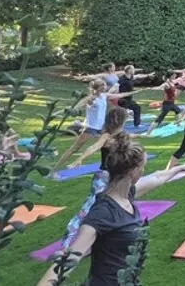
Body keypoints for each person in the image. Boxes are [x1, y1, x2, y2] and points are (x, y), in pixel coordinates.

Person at [37, 135, 185, 286]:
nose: (144, 171)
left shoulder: (127, 194)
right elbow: (67, 260)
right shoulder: (103, 213)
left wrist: (180, 168)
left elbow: (157, 177)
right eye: (143, 167)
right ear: (133, 171)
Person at [55, 107, 129, 256]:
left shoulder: (123, 136)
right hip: (104, 177)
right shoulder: (106, 136)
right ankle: (67, 242)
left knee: (113, 206)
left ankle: (106, 236)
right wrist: (79, 159)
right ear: (121, 121)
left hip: (117, 177)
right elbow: (94, 147)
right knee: (87, 208)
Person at [55, 79, 112, 169]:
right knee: (74, 148)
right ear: (99, 87)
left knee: (107, 146)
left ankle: (104, 166)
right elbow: (79, 105)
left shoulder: (103, 96)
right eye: (104, 85)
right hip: (90, 128)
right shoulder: (91, 98)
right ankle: (55, 168)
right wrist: (68, 110)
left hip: (101, 128)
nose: (106, 87)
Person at [145, 72, 183, 136]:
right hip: (167, 105)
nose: (175, 75)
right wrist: (150, 88)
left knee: (178, 110)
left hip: (172, 103)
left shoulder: (172, 82)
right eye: (174, 75)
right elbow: (159, 88)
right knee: (159, 119)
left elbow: (179, 80)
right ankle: (148, 134)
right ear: (171, 76)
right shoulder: (166, 84)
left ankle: (178, 124)